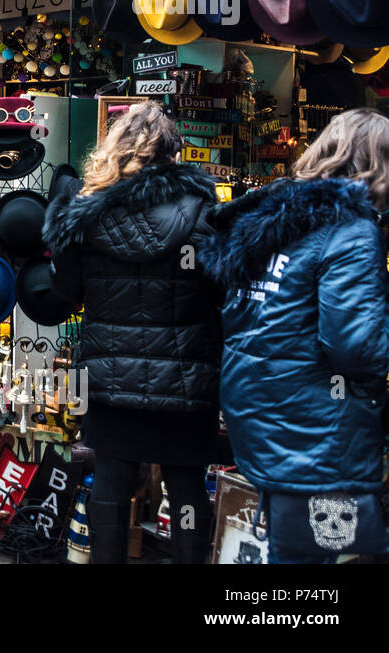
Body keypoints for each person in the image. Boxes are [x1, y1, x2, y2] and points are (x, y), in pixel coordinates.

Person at [204, 108, 389, 564]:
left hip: (263, 410)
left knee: (295, 548)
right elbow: (355, 345)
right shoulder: (351, 230)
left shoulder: (272, 218)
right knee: (326, 550)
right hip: (317, 427)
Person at [42, 100, 220, 564]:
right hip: (186, 378)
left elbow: (68, 292)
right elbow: (219, 287)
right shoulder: (202, 209)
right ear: (173, 153)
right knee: (186, 489)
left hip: (110, 376)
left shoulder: (86, 213)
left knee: (111, 486)